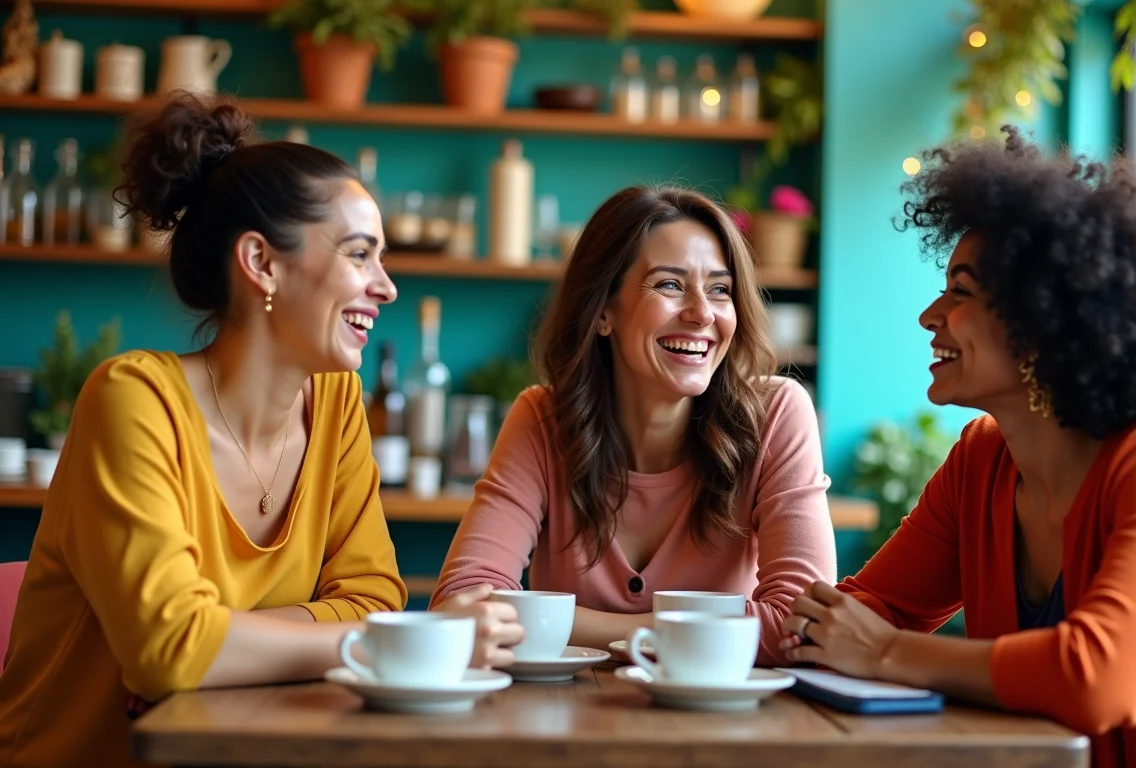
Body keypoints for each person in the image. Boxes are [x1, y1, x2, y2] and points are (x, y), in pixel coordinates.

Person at [0, 93, 522, 768]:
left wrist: (225, 637)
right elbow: (169, 654)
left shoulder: (335, 404)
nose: (386, 286)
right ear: (262, 263)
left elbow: (374, 595)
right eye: (360, 255)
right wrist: (395, 641)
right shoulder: (132, 401)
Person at [780, 127, 1136, 767]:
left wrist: (879, 651)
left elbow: (1102, 680)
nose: (930, 316)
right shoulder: (982, 459)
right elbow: (875, 607)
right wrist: (810, 628)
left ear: (1046, 322)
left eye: (960, 292)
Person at [431, 185, 837, 664]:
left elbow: (801, 624)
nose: (702, 313)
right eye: (669, 284)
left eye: (720, 289)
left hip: (728, 729)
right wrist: (701, 631)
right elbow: (462, 606)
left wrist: (561, 626)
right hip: (566, 725)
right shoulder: (542, 419)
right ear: (603, 310)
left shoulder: (776, 413)